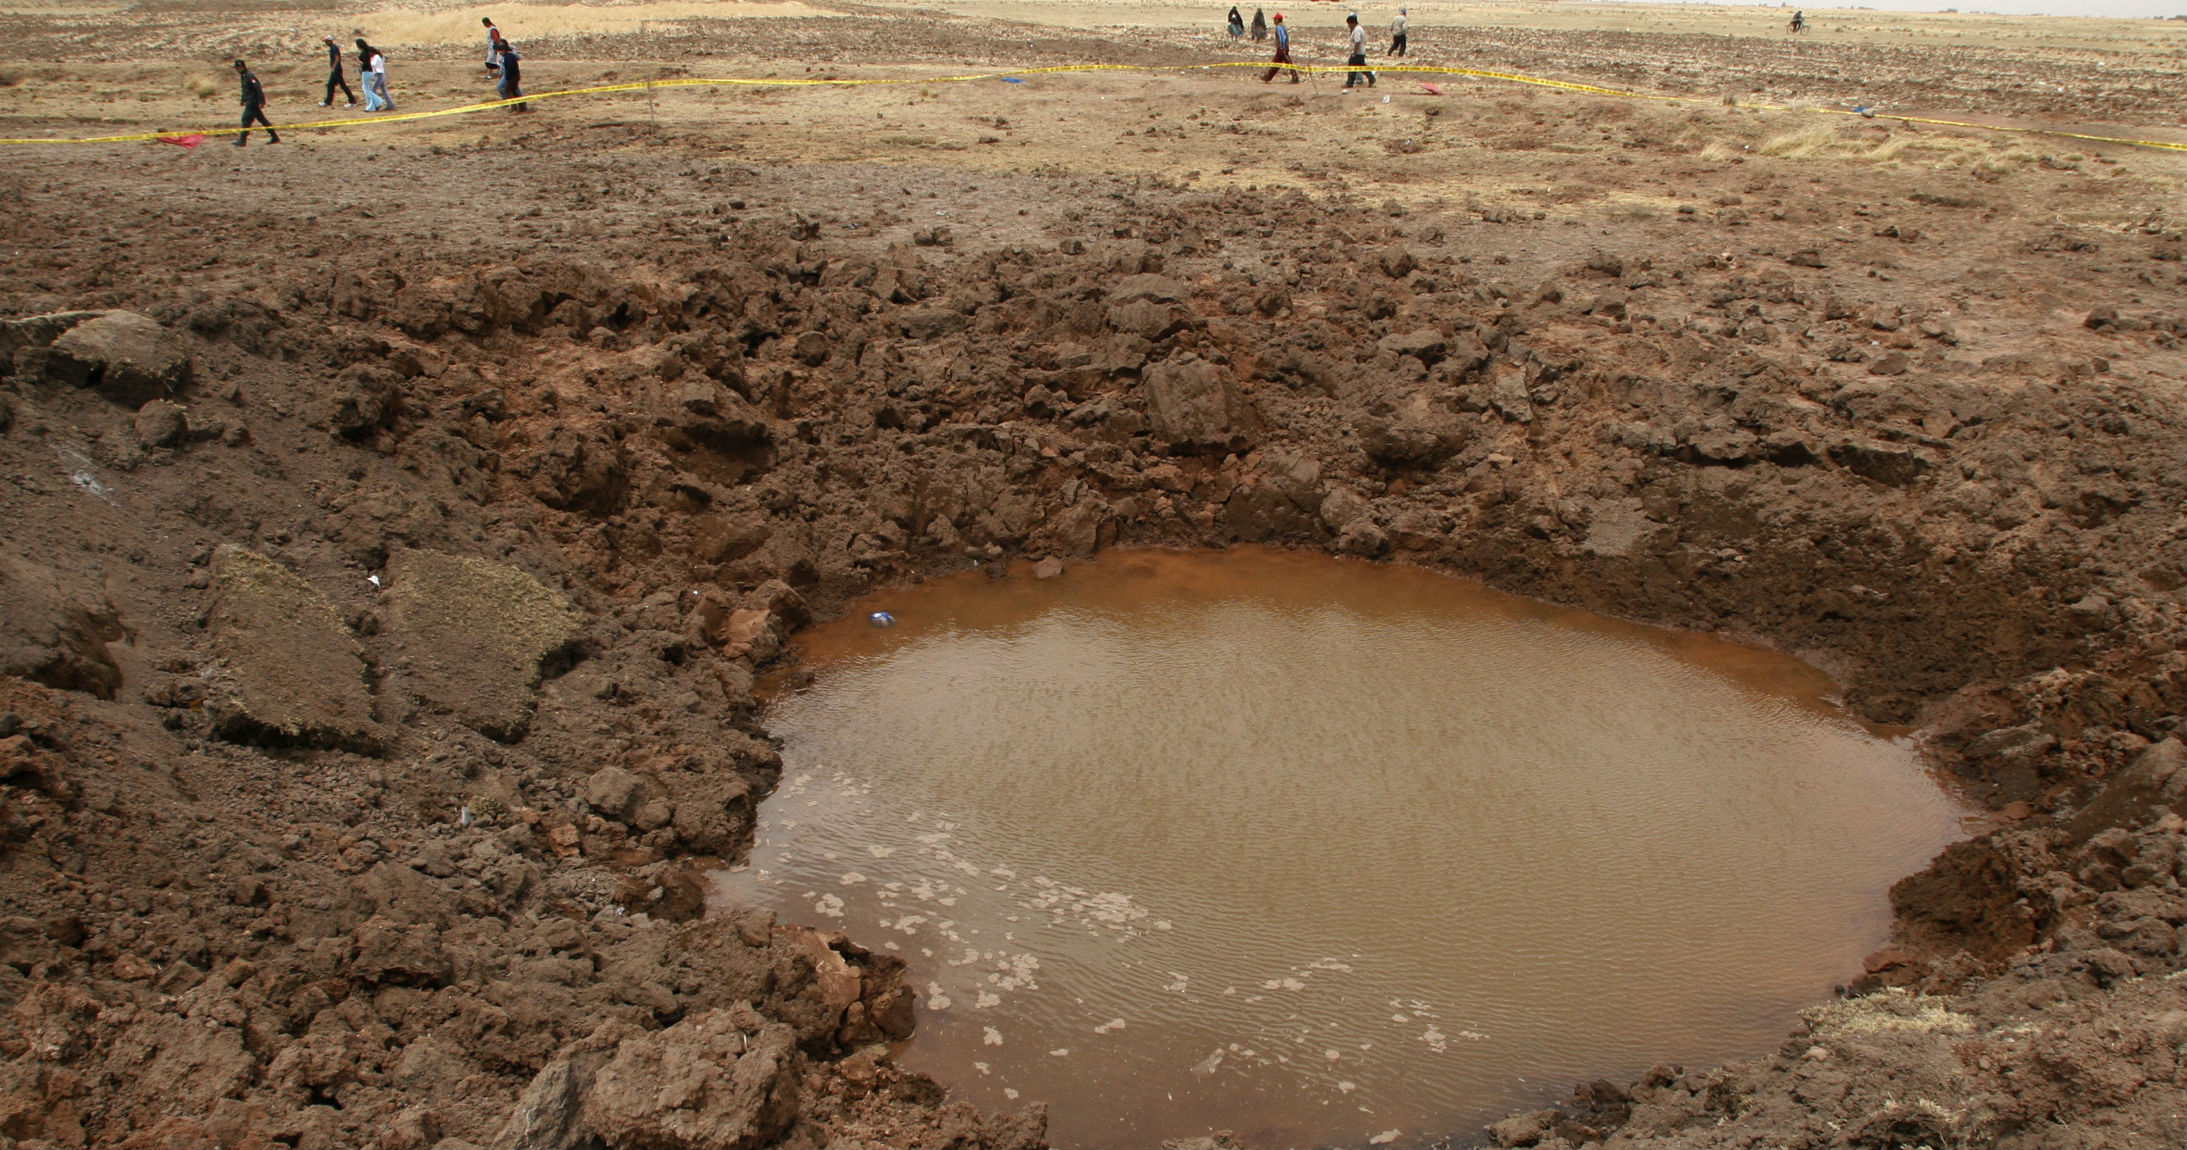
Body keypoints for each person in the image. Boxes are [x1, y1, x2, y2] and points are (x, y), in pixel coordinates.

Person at [233, 59, 277, 146]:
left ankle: (242, 140)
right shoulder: (243, 76)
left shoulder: (249, 76)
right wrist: (243, 99)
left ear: (242, 67)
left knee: (245, 119)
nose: (236, 70)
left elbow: (258, 88)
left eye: (237, 68)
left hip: (253, 102)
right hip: (250, 101)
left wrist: (261, 101)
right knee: (263, 120)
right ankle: (274, 137)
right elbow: (245, 90)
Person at [355, 38, 393, 111]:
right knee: (382, 90)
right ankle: (388, 104)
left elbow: (370, 64)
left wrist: (359, 62)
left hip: (378, 75)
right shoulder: (378, 57)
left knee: (371, 90)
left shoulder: (375, 57)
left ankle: (377, 103)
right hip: (380, 74)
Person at [493, 34, 527, 111]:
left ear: (503, 50)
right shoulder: (508, 56)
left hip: (512, 77)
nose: (499, 53)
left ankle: (515, 106)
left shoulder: (508, 57)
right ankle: (520, 106)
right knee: (514, 90)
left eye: (500, 51)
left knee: (509, 90)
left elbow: (510, 69)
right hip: (512, 76)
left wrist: (507, 77)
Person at [1260, 13, 1297, 83]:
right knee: (1276, 63)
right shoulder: (1282, 26)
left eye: (1274, 19)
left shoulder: (1279, 27)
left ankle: (1295, 78)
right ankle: (1267, 77)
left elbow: (1283, 37)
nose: (1273, 20)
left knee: (1288, 63)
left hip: (1282, 48)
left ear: (1277, 20)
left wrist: (1282, 47)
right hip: (1282, 48)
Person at [320, 35, 355, 107]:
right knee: (330, 85)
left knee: (342, 85)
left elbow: (337, 58)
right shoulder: (332, 48)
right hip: (335, 69)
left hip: (336, 70)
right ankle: (328, 101)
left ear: (330, 41)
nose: (326, 43)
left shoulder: (334, 48)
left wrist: (334, 67)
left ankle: (352, 101)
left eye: (326, 41)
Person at [1344, 13, 1375, 88]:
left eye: (1349, 24)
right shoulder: (1358, 28)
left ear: (1353, 23)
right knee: (1362, 67)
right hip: (1360, 52)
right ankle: (1371, 78)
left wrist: (1354, 53)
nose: (1349, 26)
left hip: (1357, 53)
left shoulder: (1356, 30)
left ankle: (1350, 83)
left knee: (1351, 66)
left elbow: (1357, 42)